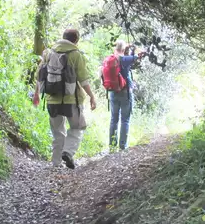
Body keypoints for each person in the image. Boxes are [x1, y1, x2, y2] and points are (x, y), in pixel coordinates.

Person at [33, 28, 96, 169]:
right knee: (78, 127)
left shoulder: (48, 53)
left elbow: (39, 76)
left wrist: (37, 93)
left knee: (57, 132)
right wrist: (92, 96)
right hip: (71, 100)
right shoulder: (76, 55)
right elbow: (83, 80)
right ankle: (68, 152)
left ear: (63, 37)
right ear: (76, 40)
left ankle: (56, 163)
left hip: (52, 99)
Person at [108, 40, 147, 151]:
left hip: (113, 93)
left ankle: (112, 145)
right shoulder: (125, 59)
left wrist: (126, 48)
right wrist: (136, 48)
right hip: (125, 93)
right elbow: (139, 56)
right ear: (124, 49)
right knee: (125, 120)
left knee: (113, 119)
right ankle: (122, 146)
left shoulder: (111, 58)